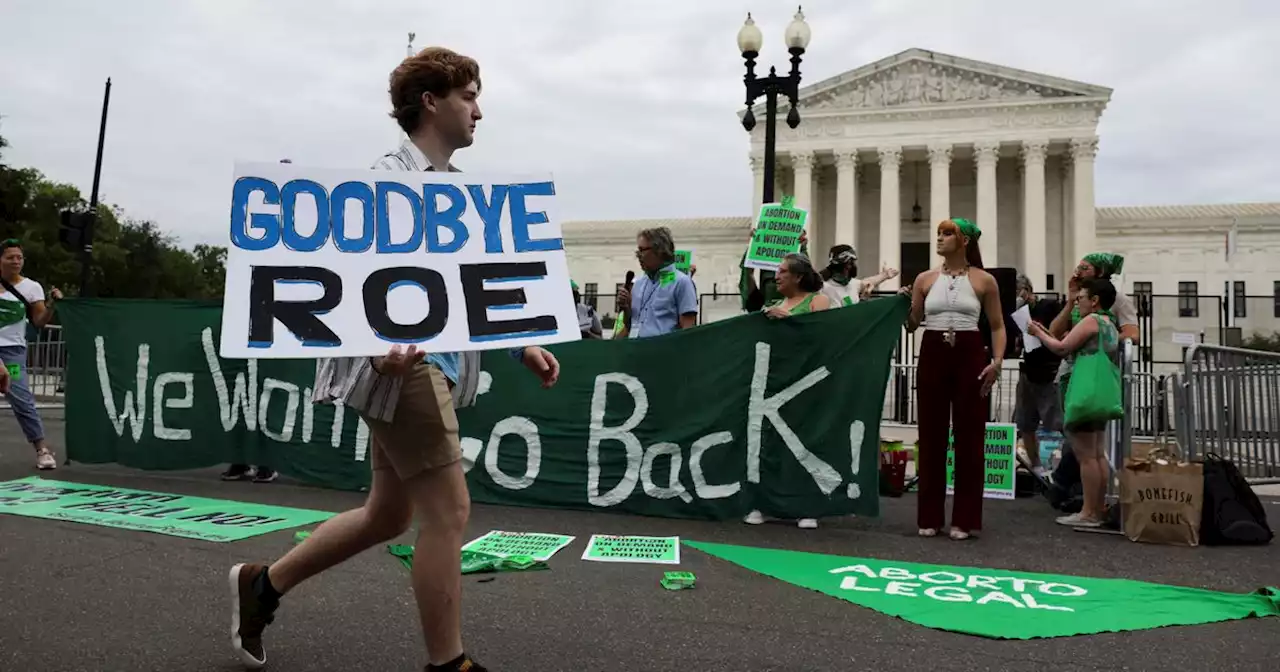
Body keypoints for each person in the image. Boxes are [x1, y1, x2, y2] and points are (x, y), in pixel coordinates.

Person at [226, 47, 562, 672]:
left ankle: (262, 584)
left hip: (423, 368)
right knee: (449, 511)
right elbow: (347, 277)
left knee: (388, 514)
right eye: (468, 96)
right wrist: (374, 349)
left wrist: (523, 340)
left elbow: (473, 284)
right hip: (403, 370)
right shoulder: (385, 180)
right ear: (431, 102)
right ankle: (448, 663)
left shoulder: (459, 192)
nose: (478, 112)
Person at [901, 219, 1006, 541]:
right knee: (931, 436)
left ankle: (964, 518)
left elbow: (998, 325)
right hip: (932, 350)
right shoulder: (924, 278)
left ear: (964, 241)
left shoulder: (984, 280)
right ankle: (929, 516)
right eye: (939, 234)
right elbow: (912, 325)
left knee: (970, 438)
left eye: (947, 234)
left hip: (970, 351)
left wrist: (997, 362)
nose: (940, 239)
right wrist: (906, 305)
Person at [744, 253, 832, 529]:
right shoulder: (773, 304)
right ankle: (767, 503)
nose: (776, 276)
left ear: (798, 276)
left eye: (782, 272)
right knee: (771, 443)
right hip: (776, 380)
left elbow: (825, 333)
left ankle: (806, 506)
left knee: (804, 440)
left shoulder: (818, 300)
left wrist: (789, 318)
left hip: (805, 382)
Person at [1044, 252, 1138, 508]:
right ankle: (1086, 499)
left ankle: (1077, 496)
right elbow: (1057, 330)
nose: (1077, 270)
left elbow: (1132, 334)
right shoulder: (1080, 299)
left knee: (1085, 444)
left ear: (1099, 273)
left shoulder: (1112, 301)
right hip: (1072, 373)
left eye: (1085, 267)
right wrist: (1071, 300)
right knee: (1084, 443)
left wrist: (1096, 342)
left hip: (1091, 374)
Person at [1028, 278, 1120, 527]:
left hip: (1084, 391)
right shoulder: (1109, 324)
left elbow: (1061, 348)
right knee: (1097, 453)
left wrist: (1038, 333)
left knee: (1086, 455)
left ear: (1095, 300)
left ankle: (1088, 512)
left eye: (1081, 298)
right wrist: (1045, 332)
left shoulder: (1092, 321)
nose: (1077, 302)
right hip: (1101, 393)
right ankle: (1097, 508)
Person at [0, 239, 61, 470]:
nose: (15, 261)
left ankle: (42, 449)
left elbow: (39, 321)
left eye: (19, 257)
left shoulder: (31, 288)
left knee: (21, 398)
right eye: (10, 257)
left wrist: (53, 306)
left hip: (12, 352)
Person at [1013, 274, 1063, 480]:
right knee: (1025, 423)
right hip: (1029, 370)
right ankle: (1036, 466)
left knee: (1058, 422)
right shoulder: (1016, 313)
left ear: (1027, 291)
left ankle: (1063, 468)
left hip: (1049, 371)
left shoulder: (1048, 307)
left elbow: (1058, 333)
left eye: (1018, 293)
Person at [614, 226, 698, 339]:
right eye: (638, 251)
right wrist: (626, 307)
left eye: (642, 250)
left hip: (663, 353)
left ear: (659, 251)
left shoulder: (682, 282)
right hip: (635, 351)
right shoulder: (638, 284)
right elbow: (630, 325)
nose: (638, 255)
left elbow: (688, 330)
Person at [818, 244, 899, 307]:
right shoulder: (823, 288)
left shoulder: (852, 284)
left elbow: (868, 282)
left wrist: (885, 275)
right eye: (850, 263)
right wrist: (863, 300)